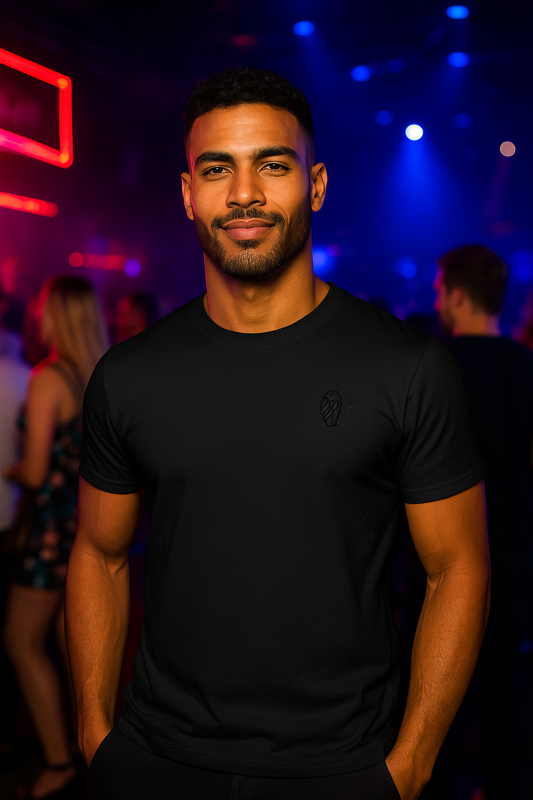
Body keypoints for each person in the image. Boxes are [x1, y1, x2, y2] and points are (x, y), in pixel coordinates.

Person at [67, 67, 490, 800]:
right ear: (188, 194)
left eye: (272, 165)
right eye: (216, 169)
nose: (243, 193)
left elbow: (457, 568)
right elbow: (99, 555)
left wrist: (410, 764)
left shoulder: (407, 368)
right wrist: (93, 735)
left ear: (315, 185)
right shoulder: (128, 375)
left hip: (342, 769)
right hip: (155, 760)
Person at [2, 276, 109, 799]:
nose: (36, 314)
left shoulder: (48, 377)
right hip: (84, 528)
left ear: (54, 315)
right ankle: (85, 751)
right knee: (75, 651)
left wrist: (8, 467)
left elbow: (37, 470)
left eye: (44, 306)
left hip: (48, 532)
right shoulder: (96, 373)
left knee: (20, 642)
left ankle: (57, 761)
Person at [433, 244, 533, 799]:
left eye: (439, 291)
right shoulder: (525, 365)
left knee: (439, 683)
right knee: (504, 684)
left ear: (455, 295)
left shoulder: (436, 365)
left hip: (445, 552)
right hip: (513, 547)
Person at [0, 296, 30, 766]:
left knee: (17, 639)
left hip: (19, 518)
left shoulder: (35, 377)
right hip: (15, 516)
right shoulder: (26, 375)